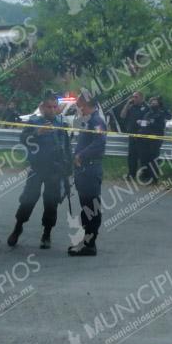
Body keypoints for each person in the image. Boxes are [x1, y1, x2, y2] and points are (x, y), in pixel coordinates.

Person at [7, 92, 71, 249]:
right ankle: (17, 228)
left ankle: (47, 234)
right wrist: (37, 132)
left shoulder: (61, 124)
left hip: (55, 169)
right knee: (28, 199)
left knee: (51, 203)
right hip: (37, 168)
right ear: (42, 107)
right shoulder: (34, 122)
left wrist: (69, 170)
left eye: (55, 107)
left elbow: (67, 147)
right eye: (49, 107)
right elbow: (23, 140)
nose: (52, 110)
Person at [69, 90, 106, 256]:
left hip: (91, 170)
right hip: (84, 170)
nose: (78, 107)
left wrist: (80, 155)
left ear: (86, 104)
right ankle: (86, 241)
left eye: (79, 105)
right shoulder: (88, 120)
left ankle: (90, 245)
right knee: (86, 207)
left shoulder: (97, 121)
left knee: (91, 208)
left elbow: (100, 143)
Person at [140, 97, 172, 182]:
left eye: (155, 103)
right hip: (145, 139)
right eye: (152, 103)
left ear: (158, 104)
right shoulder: (147, 114)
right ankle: (145, 176)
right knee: (145, 157)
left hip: (156, 139)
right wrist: (141, 122)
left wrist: (151, 123)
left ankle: (154, 177)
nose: (153, 105)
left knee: (154, 158)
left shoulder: (161, 114)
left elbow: (167, 119)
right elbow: (143, 125)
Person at [120, 91, 149, 179]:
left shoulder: (146, 108)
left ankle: (144, 175)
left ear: (141, 98)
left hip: (142, 136)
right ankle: (131, 174)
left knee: (143, 157)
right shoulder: (131, 107)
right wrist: (127, 105)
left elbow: (148, 121)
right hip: (132, 135)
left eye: (136, 97)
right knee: (132, 156)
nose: (134, 99)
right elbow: (122, 116)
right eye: (133, 97)